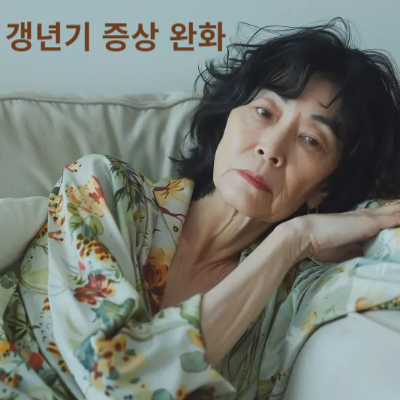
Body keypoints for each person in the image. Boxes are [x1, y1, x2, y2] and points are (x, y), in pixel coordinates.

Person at [1, 16, 400, 400]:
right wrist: (289, 241)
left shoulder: (290, 295)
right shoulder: (102, 188)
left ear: (325, 187)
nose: (271, 148)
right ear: (226, 118)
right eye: (264, 112)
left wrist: (297, 240)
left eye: (311, 140)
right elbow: (114, 380)